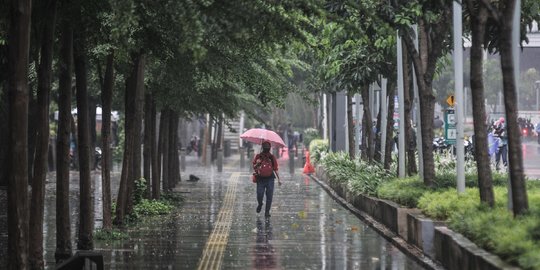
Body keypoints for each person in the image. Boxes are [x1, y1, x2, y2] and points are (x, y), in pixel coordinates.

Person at [253, 141, 281, 218]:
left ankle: (267, 211)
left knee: (269, 196)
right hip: (260, 179)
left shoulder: (272, 157)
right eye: (265, 146)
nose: (266, 148)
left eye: (267, 146)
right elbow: (254, 167)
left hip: (270, 179)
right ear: (262, 147)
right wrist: (257, 163)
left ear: (269, 148)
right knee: (259, 194)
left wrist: (279, 179)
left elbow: (275, 169)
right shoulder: (258, 156)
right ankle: (260, 204)